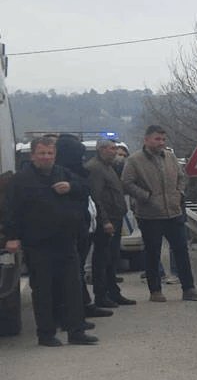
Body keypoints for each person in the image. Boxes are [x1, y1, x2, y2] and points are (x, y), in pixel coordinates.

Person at [4, 137, 99, 346]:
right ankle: (46, 334)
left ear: (55, 155)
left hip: (66, 241)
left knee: (72, 288)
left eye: (50, 154)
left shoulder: (62, 173)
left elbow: (86, 188)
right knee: (43, 291)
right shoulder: (20, 180)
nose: (46, 157)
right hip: (38, 243)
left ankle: (76, 331)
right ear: (33, 155)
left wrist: (71, 187)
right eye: (42, 153)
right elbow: (10, 211)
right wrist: (11, 237)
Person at [120, 125, 197, 302]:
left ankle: (188, 288)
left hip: (173, 212)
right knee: (152, 253)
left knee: (181, 250)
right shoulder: (135, 160)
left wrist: (179, 193)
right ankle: (155, 290)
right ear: (147, 140)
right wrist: (146, 196)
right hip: (150, 215)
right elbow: (127, 183)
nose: (161, 143)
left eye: (163, 139)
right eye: (157, 139)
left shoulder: (170, 157)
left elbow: (182, 177)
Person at [54, 134, 112, 321]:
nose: (81, 161)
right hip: (68, 230)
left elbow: (87, 194)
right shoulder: (60, 174)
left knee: (77, 271)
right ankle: (72, 312)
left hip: (83, 228)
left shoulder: (75, 175)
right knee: (70, 273)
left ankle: (82, 307)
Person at [85, 139, 136, 308]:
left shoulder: (108, 167)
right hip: (106, 221)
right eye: (112, 148)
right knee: (103, 259)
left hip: (116, 217)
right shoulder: (95, 168)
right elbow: (96, 197)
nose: (115, 152)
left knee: (112, 258)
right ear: (101, 150)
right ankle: (102, 295)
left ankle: (113, 292)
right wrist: (104, 221)